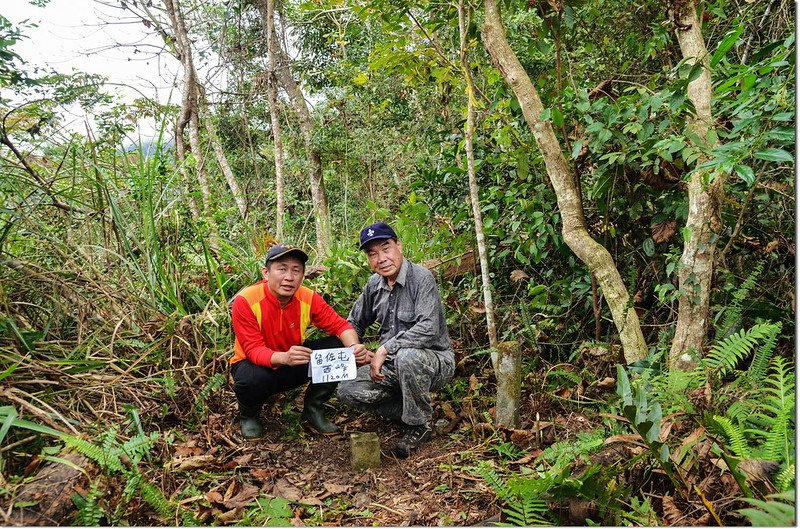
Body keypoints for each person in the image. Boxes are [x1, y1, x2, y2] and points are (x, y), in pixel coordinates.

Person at [337, 222, 455, 458]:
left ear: (399, 245)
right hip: (391, 367)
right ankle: (406, 408)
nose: (381, 259)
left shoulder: (421, 278)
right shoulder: (374, 284)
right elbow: (352, 322)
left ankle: (419, 425)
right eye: (373, 254)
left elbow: (429, 328)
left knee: (407, 356)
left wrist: (385, 349)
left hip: (434, 361)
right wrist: (356, 347)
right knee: (346, 389)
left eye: (386, 248)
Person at [230, 242, 369, 439]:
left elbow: (340, 326)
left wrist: (354, 348)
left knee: (340, 347)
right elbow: (253, 350)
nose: (289, 277)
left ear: (303, 275)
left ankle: (313, 408)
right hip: (255, 365)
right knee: (251, 380)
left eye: (296, 270)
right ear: (266, 273)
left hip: (293, 361)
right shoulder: (246, 300)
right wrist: (284, 358)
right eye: (282, 269)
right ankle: (249, 415)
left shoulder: (308, 297)